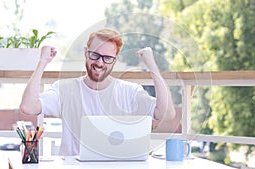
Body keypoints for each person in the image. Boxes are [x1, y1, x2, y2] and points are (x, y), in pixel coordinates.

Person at [20, 28, 176, 156]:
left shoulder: (129, 91)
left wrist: (152, 66)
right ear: (86, 53)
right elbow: (28, 107)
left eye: (107, 58)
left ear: (115, 60)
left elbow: (166, 114)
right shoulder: (65, 89)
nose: (100, 63)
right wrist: (42, 63)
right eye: (95, 55)